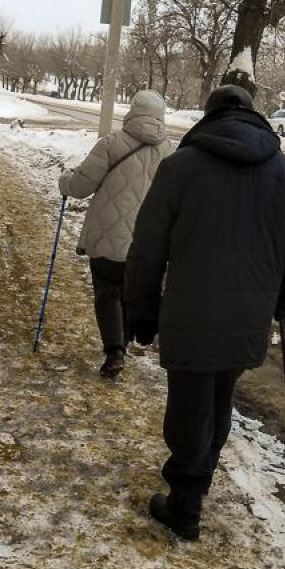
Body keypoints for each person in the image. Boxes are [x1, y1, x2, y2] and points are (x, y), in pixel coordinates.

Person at [125, 84, 285, 540]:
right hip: (249, 315)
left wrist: (141, 310)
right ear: (253, 116)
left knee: (190, 410)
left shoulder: (181, 167)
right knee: (217, 399)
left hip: (191, 312)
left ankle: (185, 507)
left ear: (208, 118)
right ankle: (199, 481)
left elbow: (147, 247)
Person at [59, 90, 173, 378]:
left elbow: (81, 186)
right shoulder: (171, 152)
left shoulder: (111, 143)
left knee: (108, 292)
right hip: (148, 243)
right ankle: (126, 338)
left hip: (108, 236)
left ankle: (115, 350)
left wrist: (65, 181)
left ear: (132, 111)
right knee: (131, 290)